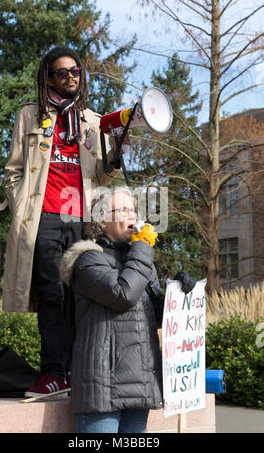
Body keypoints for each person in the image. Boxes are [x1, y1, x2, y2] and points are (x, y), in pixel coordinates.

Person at [1, 45, 122, 397]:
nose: (71, 77)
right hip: (44, 218)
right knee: (52, 296)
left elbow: (102, 175)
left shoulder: (94, 121)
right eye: (62, 72)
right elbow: (14, 170)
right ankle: (53, 373)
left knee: (80, 298)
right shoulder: (30, 115)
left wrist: (114, 158)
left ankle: (76, 372)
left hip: (82, 221)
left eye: (76, 71)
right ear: (48, 77)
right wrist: (19, 203)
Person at [61, 186, 196, 433]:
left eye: (133, 209)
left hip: (139, 384)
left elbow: (155, 316)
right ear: (103, 218)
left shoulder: (138, 260)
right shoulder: (89, 260)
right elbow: (123, 294)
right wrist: (142, 249)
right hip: (103, 388)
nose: (132, 215)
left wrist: (179, 290)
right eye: (123, 210)